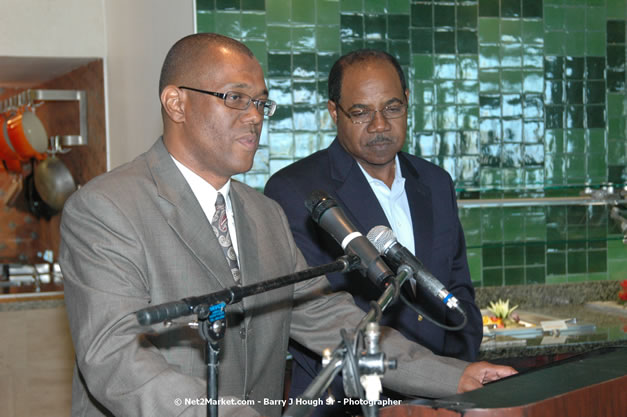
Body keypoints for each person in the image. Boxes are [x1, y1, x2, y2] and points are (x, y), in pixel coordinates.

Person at [60, 34, 514, 417]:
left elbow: (332, 322)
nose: (254, 116)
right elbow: (115, 358)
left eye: (260, 102)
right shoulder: (105, 208)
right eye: (235, 98)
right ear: (176, 103)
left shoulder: (264, 214)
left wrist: (455, 374)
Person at [264, 49, 484, 414]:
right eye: (361, 112)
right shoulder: (296, 192)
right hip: (352, 404)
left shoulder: (435, 182)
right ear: (334, 112)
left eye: (392, 108)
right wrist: (386, 404)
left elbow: (458, 292)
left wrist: (449, 382)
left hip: (444, 398)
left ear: (408, 103)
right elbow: (317, 320)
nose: (380, 125)